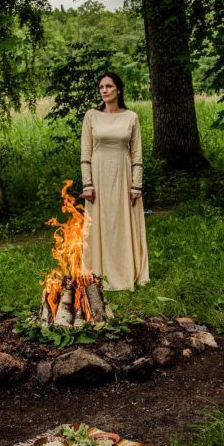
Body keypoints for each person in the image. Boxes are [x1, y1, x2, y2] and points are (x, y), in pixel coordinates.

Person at [79, 72, 149, 291]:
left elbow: (137, 155)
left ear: (118, 90)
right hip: (98, 176)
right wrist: (87, 184)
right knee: (99, 224)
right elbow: (85, 153)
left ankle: (125, 272)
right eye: (101, 87)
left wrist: (136, 185)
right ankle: (97, 273)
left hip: (123, 175)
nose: (104, 90)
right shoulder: (91, 116)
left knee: (121, 223)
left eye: (109, 86)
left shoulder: (131, 117)